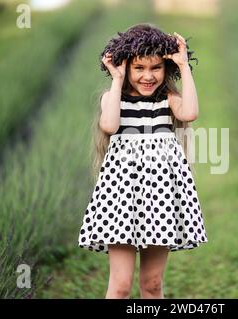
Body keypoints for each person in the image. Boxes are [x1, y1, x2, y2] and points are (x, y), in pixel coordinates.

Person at [78, 23, 208, 299]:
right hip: (121, 198)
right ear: (126, 68)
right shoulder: (112, 99)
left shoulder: (168, 99)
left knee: (152, 285)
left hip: (162, 196)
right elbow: (110, 125)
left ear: (166, 69)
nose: (148, 76)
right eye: (139, 68)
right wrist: (116, 80)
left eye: (156, 68)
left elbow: (191, 112)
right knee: (121, 285)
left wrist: (184, 67)